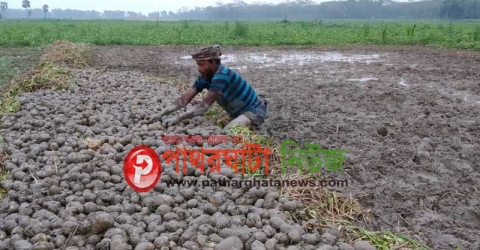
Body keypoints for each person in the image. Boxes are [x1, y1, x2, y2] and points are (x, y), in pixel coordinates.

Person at [152, 45, 267, 132]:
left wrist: (177, 119)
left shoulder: (222, 75)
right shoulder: (204, 76)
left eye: (201, 64)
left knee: (227, 133)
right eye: (197, 64)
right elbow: (185, 99)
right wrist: (162, 114)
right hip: (235, 113)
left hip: (253, 110)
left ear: (213, 63)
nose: (198, 68)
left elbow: (205, 105)